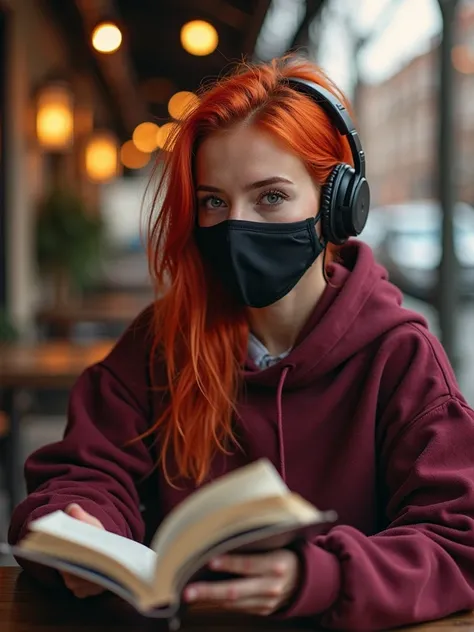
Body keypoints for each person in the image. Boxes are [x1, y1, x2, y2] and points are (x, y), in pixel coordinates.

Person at [9, 55, 474, 631]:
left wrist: (318, 576)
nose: (236, 225)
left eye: (271, 196)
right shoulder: (160, 343)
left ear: (337, 206)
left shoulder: (400, 357)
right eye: (214, 202)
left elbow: (458, 538)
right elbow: (80, 476)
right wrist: (81, 529)